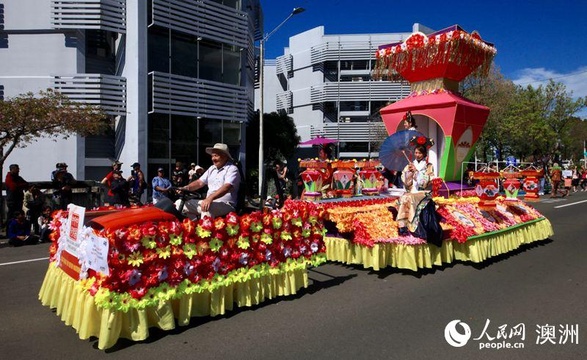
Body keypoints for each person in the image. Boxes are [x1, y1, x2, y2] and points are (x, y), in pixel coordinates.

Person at [177, 143, 240, 219]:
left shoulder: (232, 169)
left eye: (216, 156)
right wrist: (186, 188)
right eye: (212, 156)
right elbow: (199, 182)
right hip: (208, 202)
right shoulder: (211, 169)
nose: (213, 159)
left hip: (226, 205)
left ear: (225, 156)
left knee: (206, 207)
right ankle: (190, 228)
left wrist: (210, 198)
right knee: (179, 203)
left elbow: (227, 187)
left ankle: (206, 230)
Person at [397, 143, 435, 235]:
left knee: (411, 198)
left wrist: (417, 173)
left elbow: (426, 182)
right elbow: (406, 183)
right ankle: (403, 226)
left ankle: (414, 227)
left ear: (424, 154)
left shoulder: (429, 166)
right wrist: (408, 173)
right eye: (416, 152)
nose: (417, 155)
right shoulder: (409, 165)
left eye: (419, 153)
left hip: (423, 191)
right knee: (404, 198)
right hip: (412, 190)